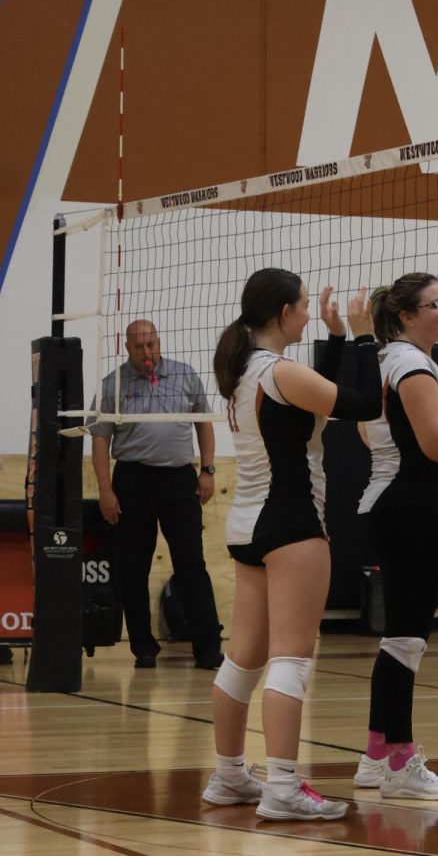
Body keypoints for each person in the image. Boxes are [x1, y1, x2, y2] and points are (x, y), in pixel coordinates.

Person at [203, 270, 382, 821]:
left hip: (248, 526)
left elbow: (315, 404)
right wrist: (363, 335)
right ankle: (282, 784)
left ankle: (229, 774)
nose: (308, 311)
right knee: (291, 658)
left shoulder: (244, 368)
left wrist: (329, 337)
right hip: (292, 525)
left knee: (244, 657)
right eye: (305, 306)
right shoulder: (278, 371)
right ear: (283, 312)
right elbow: (365, 403)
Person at [351, 274, 438, 800]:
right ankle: (401, 763)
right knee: (406, 640)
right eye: (435, 304)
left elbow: (366, 430)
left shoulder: (386, 362)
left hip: (390, 504)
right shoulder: (412, 365)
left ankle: (376, 756)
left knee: (399, 638)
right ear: (405, 315)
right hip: (412, 508)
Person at [90, 319, 224, 669]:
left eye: (151, 345)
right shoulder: (112, 385)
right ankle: (143, 648)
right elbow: (100, 440)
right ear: (128, 348)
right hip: (132, 481)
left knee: (191, 564)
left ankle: (208, 648)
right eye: (139, 348)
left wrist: (207, 470)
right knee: (132, 568)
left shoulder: (184, 374)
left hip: (179, 479)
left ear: (159, 342)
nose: (147, 354)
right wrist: (105, 490)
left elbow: (204, 423)